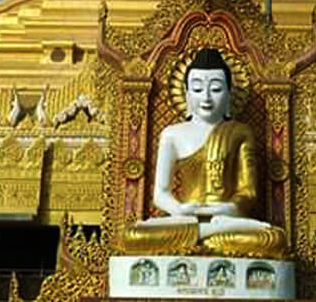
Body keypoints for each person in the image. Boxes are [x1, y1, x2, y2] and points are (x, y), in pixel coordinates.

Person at [121, 48, 286, 258]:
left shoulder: (240, 132)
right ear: (187, 95)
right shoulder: (171, 134)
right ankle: (207, 233)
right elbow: (160, 194)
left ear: (229, 94)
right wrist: (180, 210)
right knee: (133, 235)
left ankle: (205, 233)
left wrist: (228, 209)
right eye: (198, 89)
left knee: (272, 238)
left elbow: (248, 192)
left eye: (216, 89)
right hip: (186, 219)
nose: (206, 98)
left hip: (226, 219)